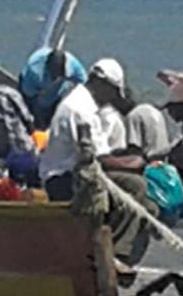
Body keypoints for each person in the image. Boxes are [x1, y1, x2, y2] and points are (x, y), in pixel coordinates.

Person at [38, 58, 153, 263]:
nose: (111, 99)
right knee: (136, 186)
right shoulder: (79, 109)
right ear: (102, 84)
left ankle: (117, 250)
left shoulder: (87, 106)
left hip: (83, 171)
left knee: (150, 208)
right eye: (112, 92)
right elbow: (99, 160)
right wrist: (134, 163)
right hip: (64, 179)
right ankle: (115, 254)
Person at [20, 47, 87, 129]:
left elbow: (85, 84)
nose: (57, 76)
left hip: (57, 95)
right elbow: (28, 94)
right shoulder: (34, 72)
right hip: (34, 95)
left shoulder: (73, 65)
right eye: (54, 74)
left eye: (61, 73)